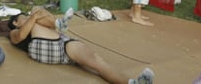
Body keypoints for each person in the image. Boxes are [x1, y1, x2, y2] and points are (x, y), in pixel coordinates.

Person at [8, 7, 154, 84]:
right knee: (98, 64)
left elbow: (37, 22)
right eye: (23, 17)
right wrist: (33, 16)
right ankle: (60, 23)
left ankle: (131, 83)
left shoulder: (34, 26)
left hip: (62, 46)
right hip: (56, 46)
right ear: (15, 22)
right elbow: (20, 36)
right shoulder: (15, 31)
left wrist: (37, 14)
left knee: (98, 64)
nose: (27, 17)